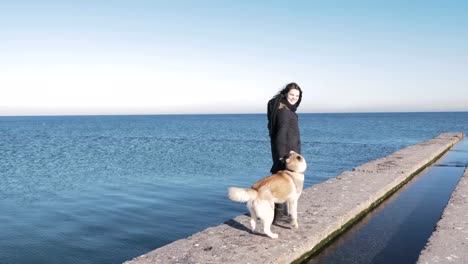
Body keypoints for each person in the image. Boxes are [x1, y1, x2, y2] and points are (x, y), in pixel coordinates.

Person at [268, 82, 303, 222]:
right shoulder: (284, 112)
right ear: (285, 94)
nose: (294, 98)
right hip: (286, 154)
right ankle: (278, 216)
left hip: (288, 153)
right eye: (292, 95)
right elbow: (281, 135)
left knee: (282, 183)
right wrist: (284, 158)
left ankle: (279, 214)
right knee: (282, 184)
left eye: (297, 96)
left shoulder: (286, 109)